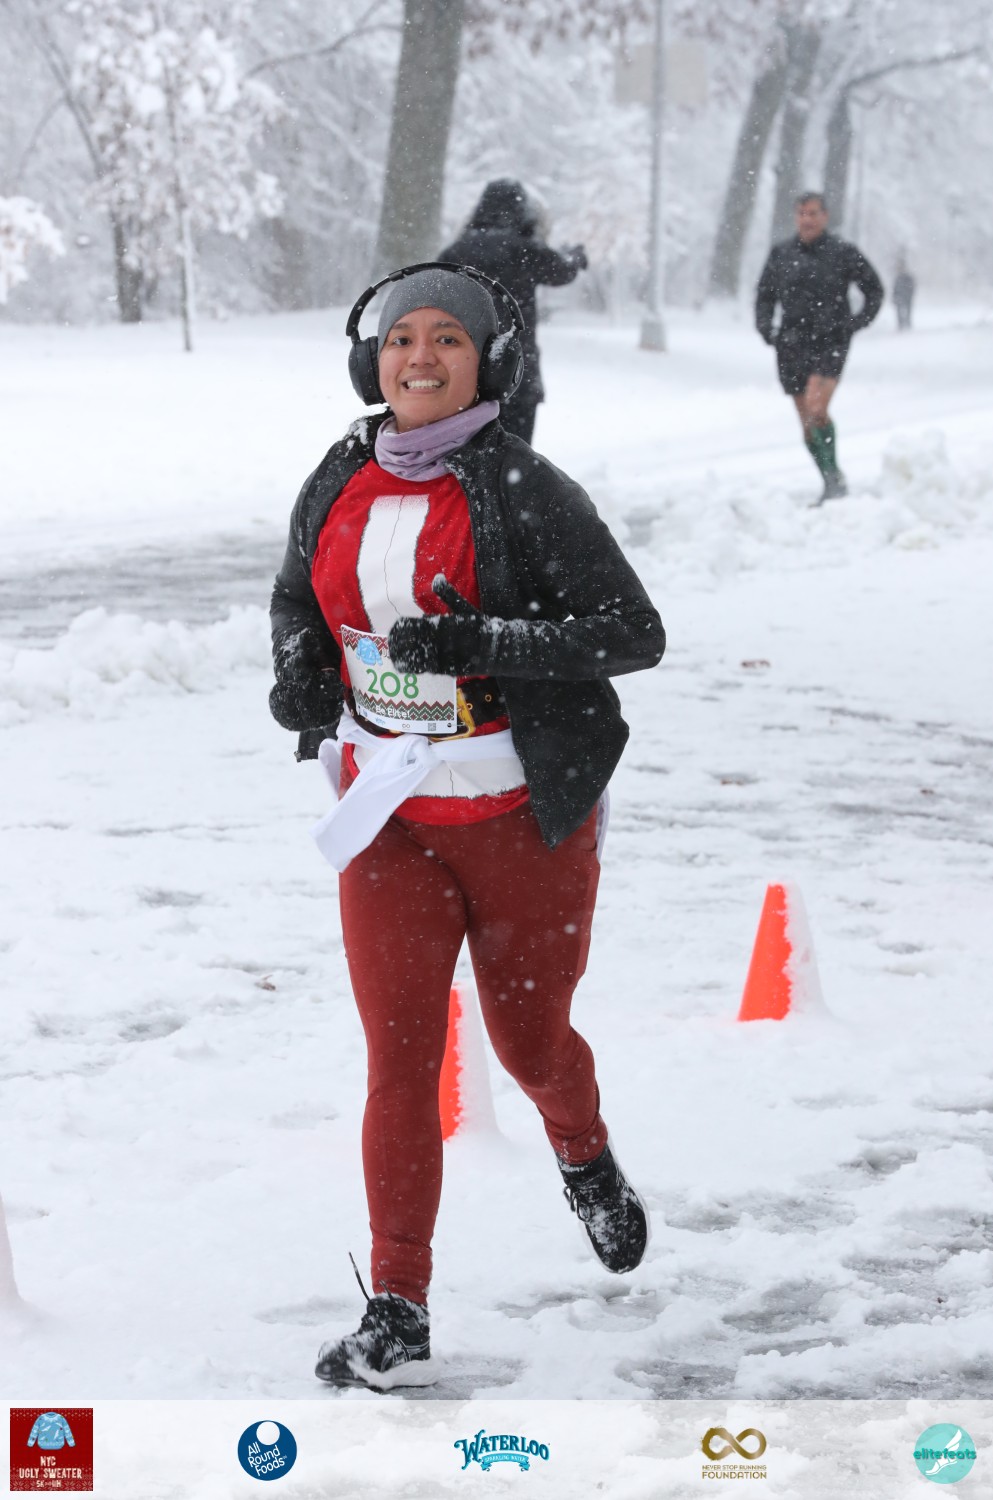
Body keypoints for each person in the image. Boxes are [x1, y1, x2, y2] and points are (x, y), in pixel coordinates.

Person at [268, 263, 665, 1391]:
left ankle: (583, 1152)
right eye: (402, 339)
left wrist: (491, 641)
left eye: (447, 338)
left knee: (530, 1047)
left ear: (487, 362)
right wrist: (301, 670)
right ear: (372, 359)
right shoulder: (337, 476)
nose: (420, 357)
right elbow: (298, 599)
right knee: (400, 1061)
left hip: (519, 817)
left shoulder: (528, 488)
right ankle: (398, 1307)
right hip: (389, 817)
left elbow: (633, 630)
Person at [755, 191, 883, 503]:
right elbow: (765, 296)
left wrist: (856, 322)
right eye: (802, 214)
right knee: (806, 421)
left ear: (825, 216)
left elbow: (874, 290)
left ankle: (833, 480)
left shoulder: (843, 252)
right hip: (791, 344)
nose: (807, 220)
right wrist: (767, 329)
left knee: (817, 408)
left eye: (813, 213)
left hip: (830, 341)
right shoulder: (781, 254)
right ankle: (830, 476)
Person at [439, 178, 587, 444]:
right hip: (516, 369)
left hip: (465, 372)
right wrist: (575, 255)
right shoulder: (525, 249)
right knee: (515, 453)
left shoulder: (456, 252)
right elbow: (562, 271)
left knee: (465, 456)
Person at [892, 258, 916, 331]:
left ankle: (907, 324)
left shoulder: (908, 277)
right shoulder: (898, 277)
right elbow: (895, 288)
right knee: (899, 311)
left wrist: (909, 295)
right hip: (900, 297)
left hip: (907, 297)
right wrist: (895, 296)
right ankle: (901, 325)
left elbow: (911, 287)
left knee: (908, 311)